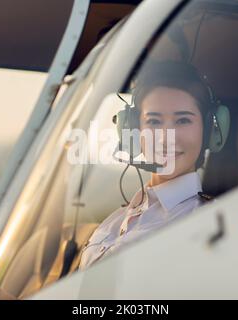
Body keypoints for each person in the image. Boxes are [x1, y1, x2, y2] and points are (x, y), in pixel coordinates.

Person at [79, 61, 215, 269]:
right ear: (134, 129)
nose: (166, 138)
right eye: (154, 122)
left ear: (207, 132)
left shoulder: (205, 225)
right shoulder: (119, 217)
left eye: (183, 121)